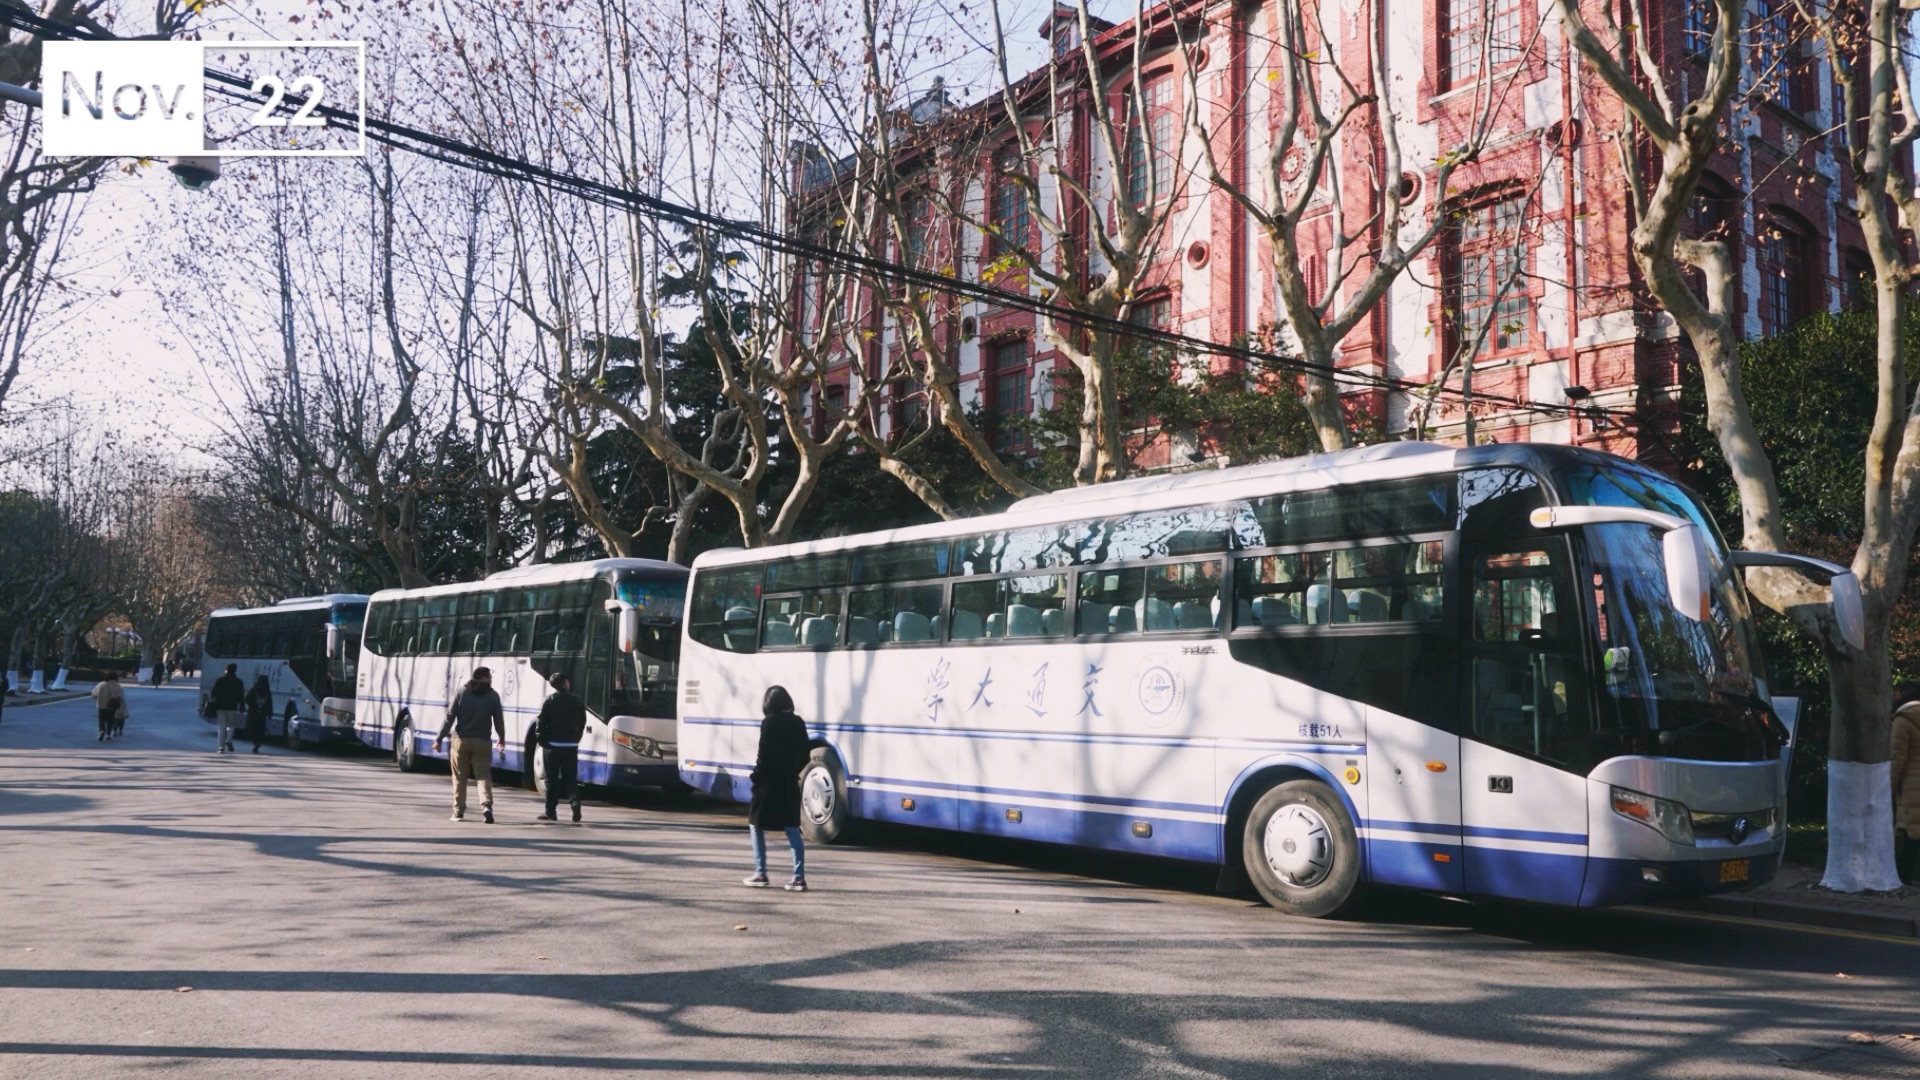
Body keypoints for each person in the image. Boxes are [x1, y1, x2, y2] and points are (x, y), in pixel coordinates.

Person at [743, 685, 811, 891]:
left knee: (756, 825)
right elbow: (805, 756)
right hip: (789, 782)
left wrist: (756, 776)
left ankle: (761, 873)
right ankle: (798, 878)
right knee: (792, 829)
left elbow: (763, 755)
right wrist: (792, 771)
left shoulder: (769, 722)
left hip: (768, 784)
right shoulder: (798, 722)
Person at [434, 667, 505, 823]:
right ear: (483, 678)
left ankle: (458, 812)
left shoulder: (462, 692)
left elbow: (449, 717)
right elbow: (499, 720)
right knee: (483, 776)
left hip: (461, 741)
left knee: (459, 778)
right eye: (489, 677)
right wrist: (502, 738)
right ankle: (486, 806)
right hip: (483, 742)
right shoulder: (493, 696)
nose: (491, 680)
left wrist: (439, 738)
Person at [532, 672, 588, 823]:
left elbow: (541, 723)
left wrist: (543, 741)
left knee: (552, 779)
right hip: (570, 745)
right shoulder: (577, 700)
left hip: (553, 745)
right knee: (570, 778)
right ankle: (575, 802)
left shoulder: (549, 700)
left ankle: (550, 811)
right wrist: (576, 738)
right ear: (565, 683)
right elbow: (583, 721)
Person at [1893, 683, 1920, 886]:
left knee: (1910, 835)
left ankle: (1904, 879)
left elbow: (1896, 760)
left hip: (1911, 787)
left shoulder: (1903, 721)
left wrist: (1887, 789)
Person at [209, 663, 246, 753]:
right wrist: (242, 707)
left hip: (220, 706)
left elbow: (213, 693)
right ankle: (228, 740)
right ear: (235, 670)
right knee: (231, 725)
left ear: (226, 670)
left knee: (221, 726)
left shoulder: (220, 680)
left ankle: (221, 747)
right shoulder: (239, 682)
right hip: (232, 707)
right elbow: (241, 696)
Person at [243, 675, 272, 754]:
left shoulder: (253, 689)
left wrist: (252, 704)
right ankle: (258, 743)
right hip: (263, 713)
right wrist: (270, 713)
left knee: (252, 727)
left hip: (253, 712)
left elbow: (247, 699)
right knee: (260, 728)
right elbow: (270, 703)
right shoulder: (267, 691)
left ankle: (254, 742)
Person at [90, 678, 125, 743]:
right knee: (110, 720)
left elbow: (94, 694)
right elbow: (120, 696)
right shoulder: (116, 685)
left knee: (101, 719)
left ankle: (101, 730)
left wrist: (98, 699)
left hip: (101, 705)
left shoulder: (100, 684)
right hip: (111, 706)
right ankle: (108, 734)